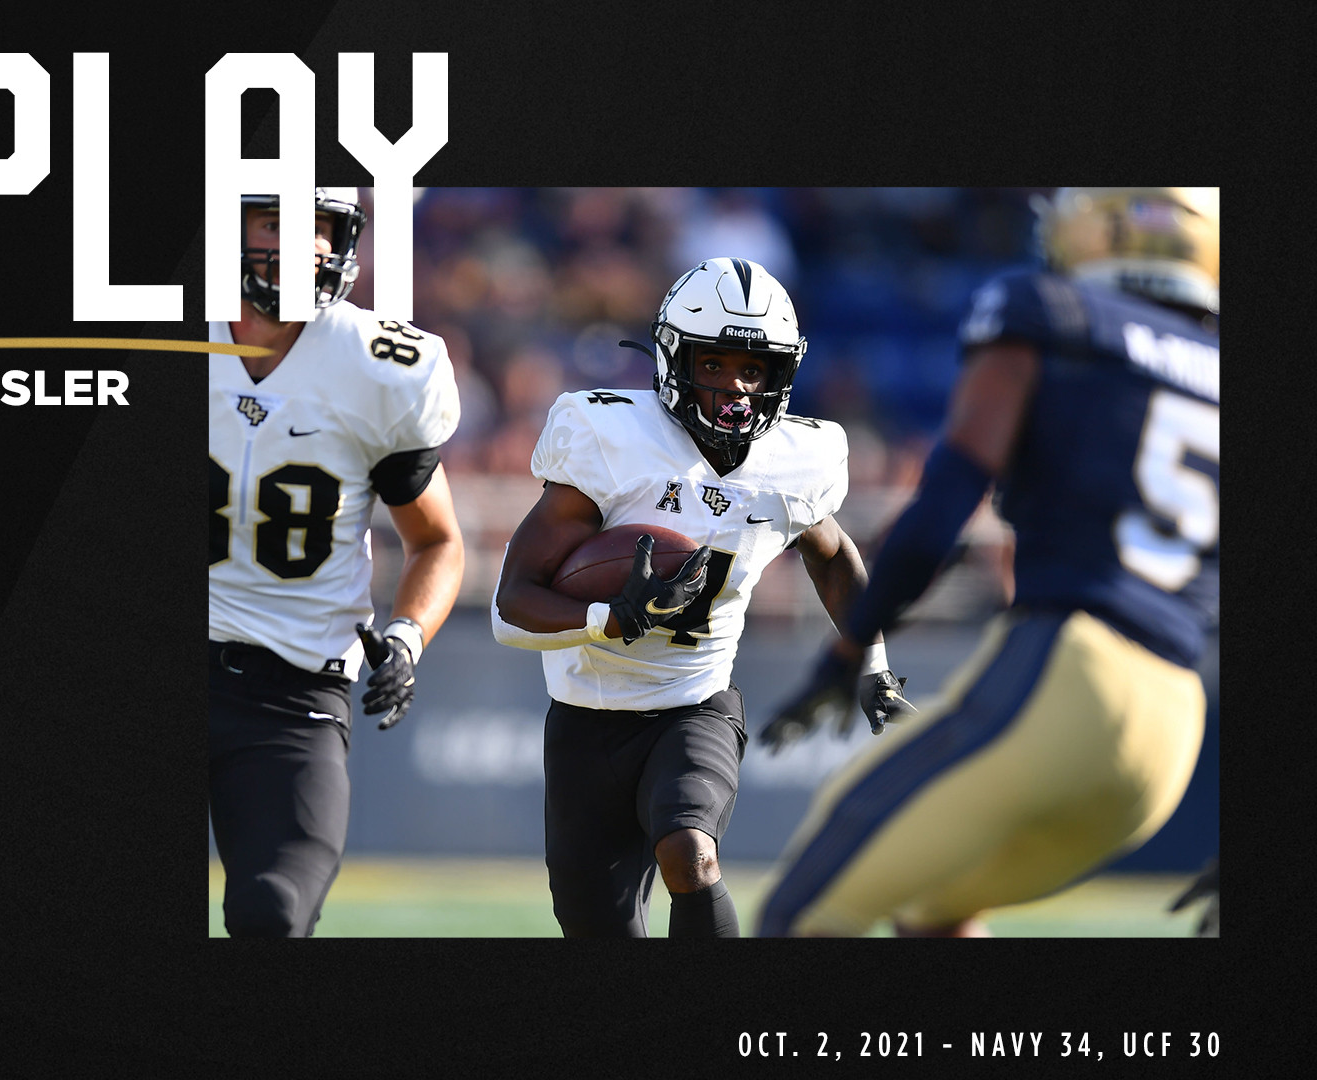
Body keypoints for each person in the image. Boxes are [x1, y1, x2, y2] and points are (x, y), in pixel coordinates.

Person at [755, 188, 1220, 937]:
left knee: (799, 915)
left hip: (1068, 676)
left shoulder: (1055, 316)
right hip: (1168, 740)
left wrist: (849, 650)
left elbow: (946, 502)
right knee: (934, 915)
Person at [491, 257, 916, 937]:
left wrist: (869, 659)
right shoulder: (610, 439)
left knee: (692, 853)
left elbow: (832, 554)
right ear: (672, 358)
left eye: (754, 369)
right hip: (587, 719)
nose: (736, 387)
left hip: (697, 705)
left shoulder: (793, 458)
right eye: (714, 364)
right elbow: (510, 608)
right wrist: (609, 617)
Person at [208, 187, 466, 937]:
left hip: (290, 692)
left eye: (319, 228)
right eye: (275, 223)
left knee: (274, 912)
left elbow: (438, 540)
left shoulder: (382, 366)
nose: (305, 246)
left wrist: (409, 636)